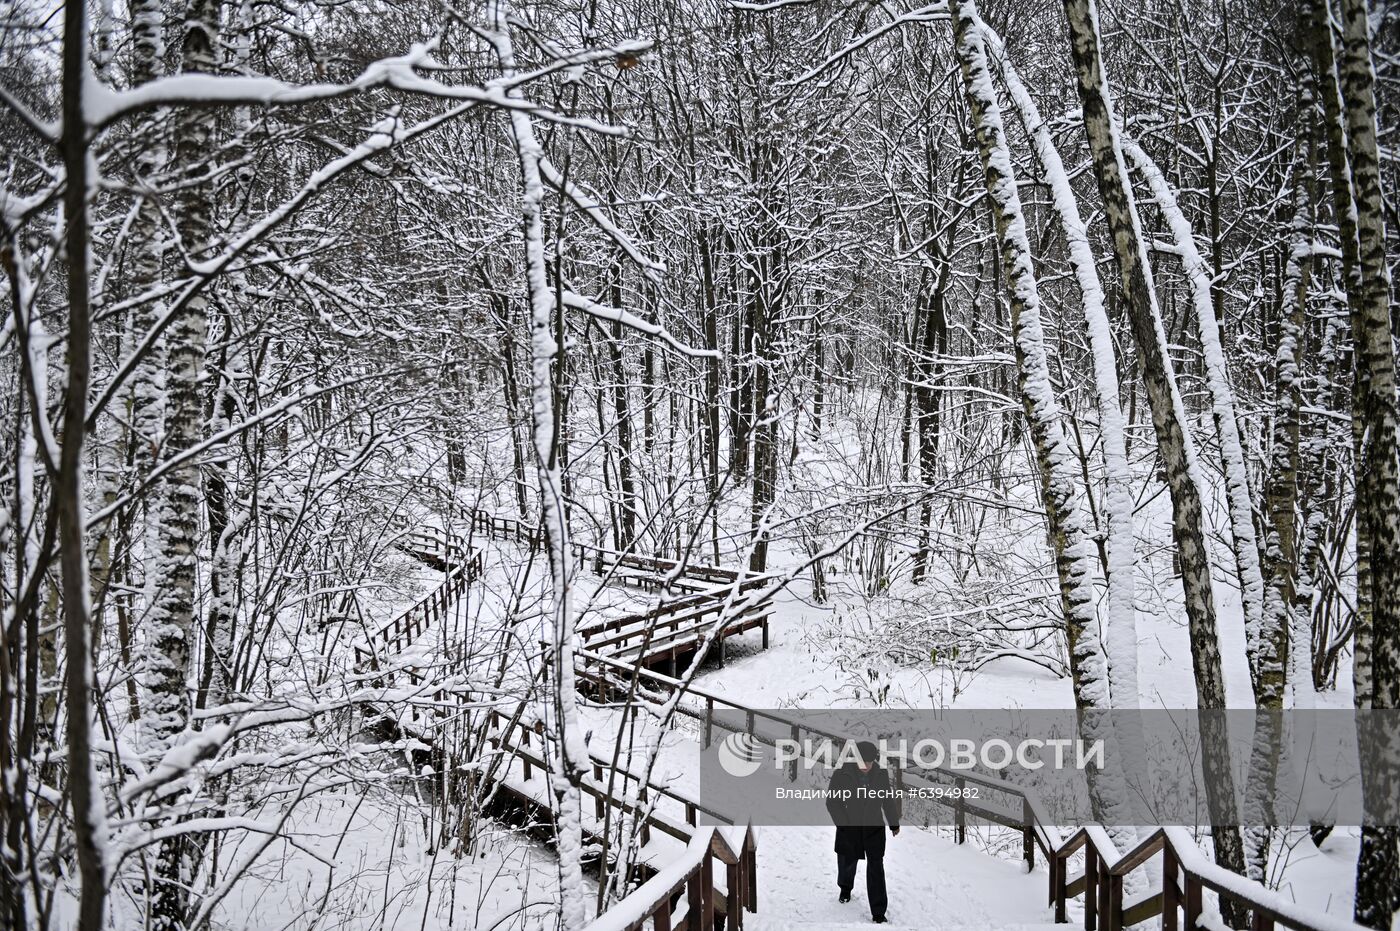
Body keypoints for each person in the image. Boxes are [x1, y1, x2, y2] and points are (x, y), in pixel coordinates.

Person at [825, 739, 900, 923]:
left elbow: (887, 800)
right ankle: (845, 888)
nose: (865, 766)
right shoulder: (842, 774)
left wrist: (893, 823)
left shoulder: (881, 775)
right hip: (849, 827)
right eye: (862, 761)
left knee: (876, 868)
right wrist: (844, 825)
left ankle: (878, 912)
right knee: (847, 861)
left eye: (869, 762)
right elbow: (832, 802)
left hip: (874, 828)